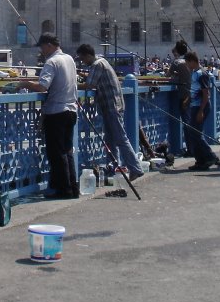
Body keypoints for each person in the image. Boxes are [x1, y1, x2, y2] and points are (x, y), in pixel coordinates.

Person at [19, 33, 80, 198]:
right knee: (67, 151)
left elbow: (43, 87)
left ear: (49, 45)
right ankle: (73, 188)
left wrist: (24, 83)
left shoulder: (51, 62)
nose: (41, 50)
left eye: (42, 47)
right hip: (71, 110)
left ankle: (63, 190)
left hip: (56, 112)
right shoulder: (69, 59)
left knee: (56, 153)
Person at [75, 44, 145, 181]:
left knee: (120, 138)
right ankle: (113, 168)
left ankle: (135, 168)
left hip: (111, 106)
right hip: (112, 106)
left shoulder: (97, 64)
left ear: (88, 55)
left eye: (83, 59)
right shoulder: (103, 62)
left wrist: (71, 84)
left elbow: (90, 84)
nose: (83, 62)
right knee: (110, 141)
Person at [182, 50, 218, 170]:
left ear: (192, 61)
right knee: (193, 133)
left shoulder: (201, 74)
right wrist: (188, 100)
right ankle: (200, 160)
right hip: (194, 105)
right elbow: (194, 90)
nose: (187, 66)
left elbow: (205, 94)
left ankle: (210, 156)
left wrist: (201, 110)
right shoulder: (194, 73)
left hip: (201, 106)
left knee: (196, 133)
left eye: (187, 63)